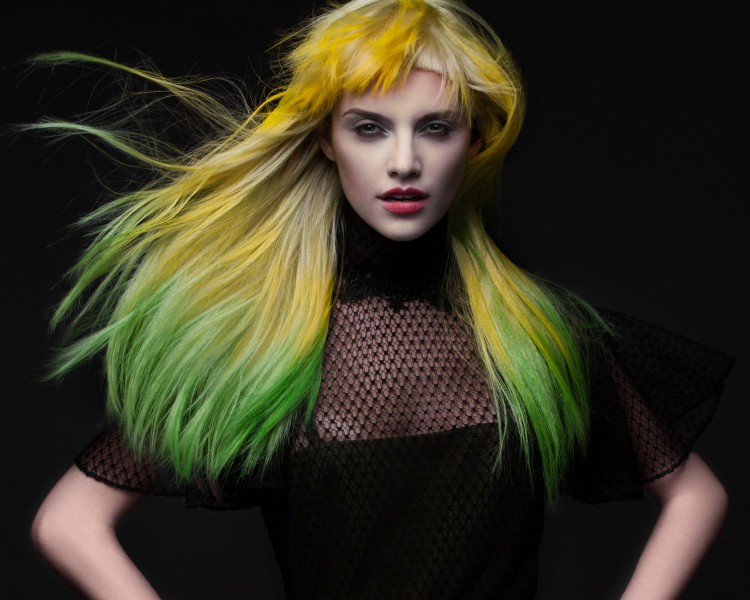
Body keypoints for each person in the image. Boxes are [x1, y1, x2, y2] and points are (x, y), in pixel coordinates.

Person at [28, 0, 734, 598]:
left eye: (436, 127)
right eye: (369, 127)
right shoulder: (260, 344)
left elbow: (697, 496)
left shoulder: (545, 336)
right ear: (327, 140)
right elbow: (69, 521)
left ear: (475, 140)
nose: (404, 162)